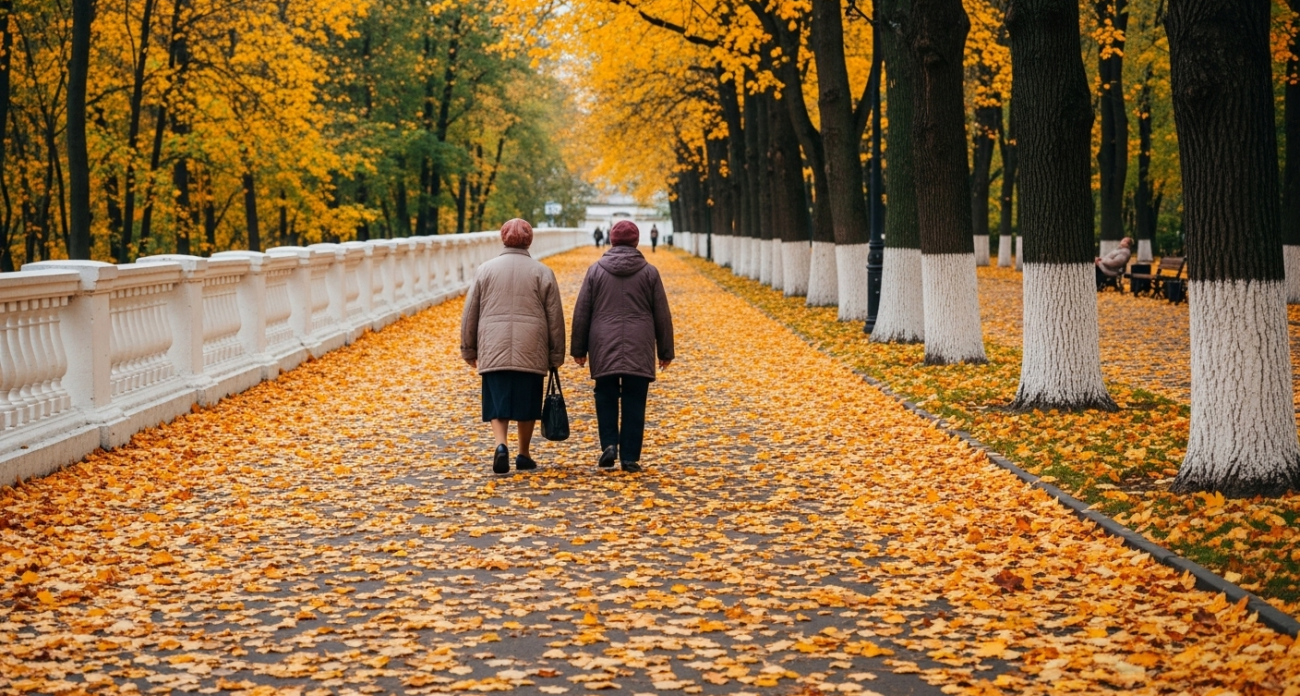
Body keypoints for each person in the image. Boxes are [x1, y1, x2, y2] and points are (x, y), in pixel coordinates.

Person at [460, 219, 566, 475]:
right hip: (531, 346)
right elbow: (555, 318)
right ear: (529, 240)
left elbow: (470, 312)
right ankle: (523, 453)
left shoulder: (485, 270)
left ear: (503, 238)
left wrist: (469, 348)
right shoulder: (543, 272)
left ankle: (500, 446)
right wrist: (555, 355)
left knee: (497, 399)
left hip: (493, 344)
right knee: (527, 401)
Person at [571, 220, 674, 473]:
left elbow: (582, 311)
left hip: (602, 342)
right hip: (639, 343)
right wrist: (665, 352)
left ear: (612, 240)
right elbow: (662, 314)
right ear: (637, 241)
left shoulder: (595, 270)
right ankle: (629, 457)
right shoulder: (650, 272)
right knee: (635, 399)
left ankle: (609, 445)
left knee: (604, 394)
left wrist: (578, 350)